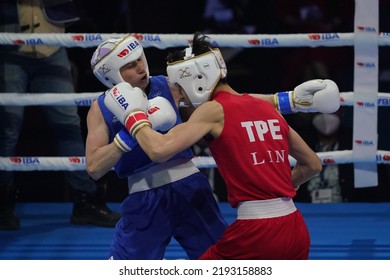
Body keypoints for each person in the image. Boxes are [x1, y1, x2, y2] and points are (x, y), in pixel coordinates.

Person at [87, 33, 338, 259]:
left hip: (190, 187)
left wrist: (289, 100)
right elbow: (95, 168)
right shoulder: (100, 109)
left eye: (140, 59)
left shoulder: (169, 85)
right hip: (144, 195)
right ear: (112, 75)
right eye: (130, 65)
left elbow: (228, 103)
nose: (141, 67)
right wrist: (125, 139)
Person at [0, 0, 120, 230]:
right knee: (7, 128)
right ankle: (2, 204)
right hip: (9, 45)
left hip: (53, 46)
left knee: (68, 124)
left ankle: (86, 201)